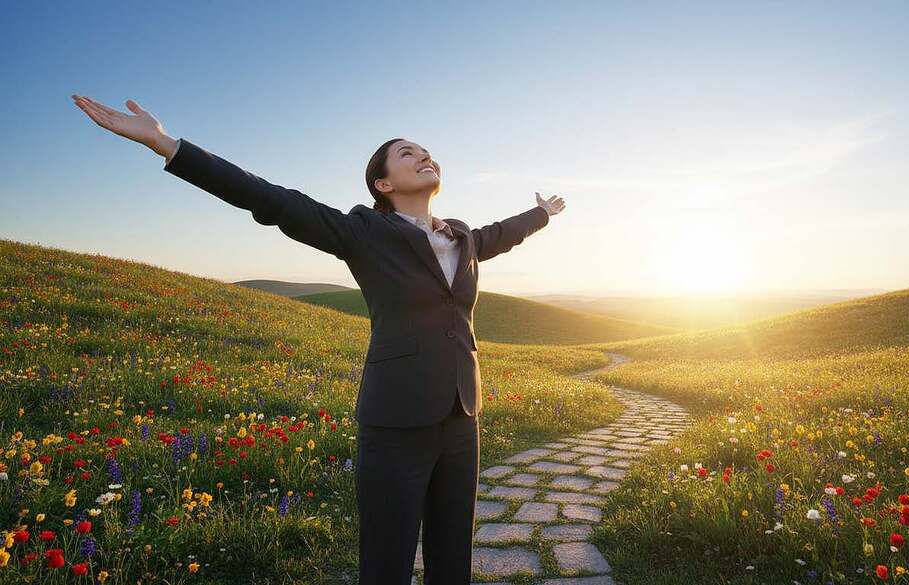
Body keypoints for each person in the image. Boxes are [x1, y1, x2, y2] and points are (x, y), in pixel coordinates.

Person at [71, 94, 566, 584]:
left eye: (426, 150)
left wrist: (541, 213)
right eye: (407, 152)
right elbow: (269, 199)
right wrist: (166, 145)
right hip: (396, 420)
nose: (423, 155)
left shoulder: (463, 238)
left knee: (453, 553)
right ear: (384, 183)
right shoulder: (365, 231)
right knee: (387, 560)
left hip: (463, 414)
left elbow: (504, 231)